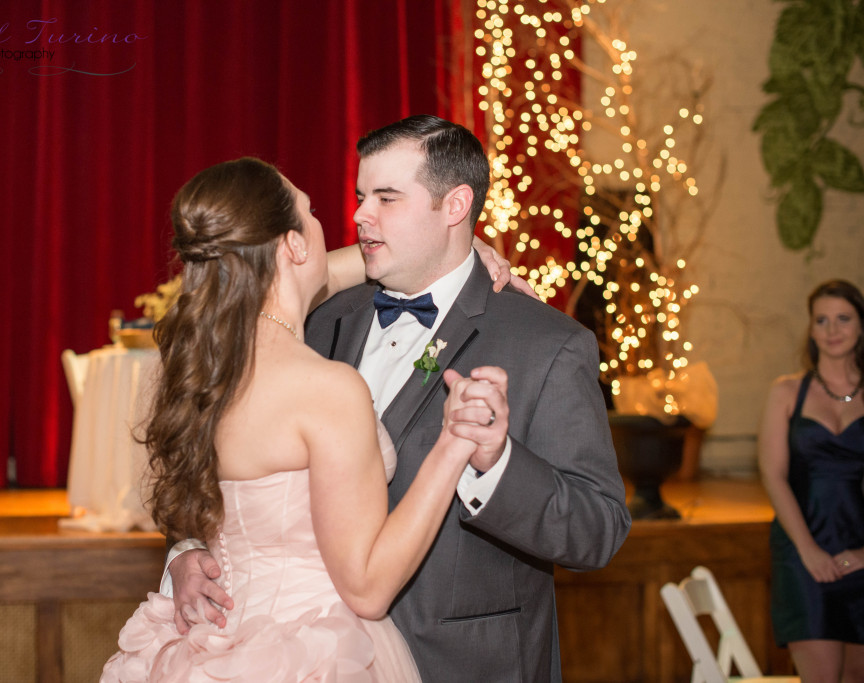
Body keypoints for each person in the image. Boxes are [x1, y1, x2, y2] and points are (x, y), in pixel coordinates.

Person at [169, 115, 631, 681]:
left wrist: (495, 465)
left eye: (387, 198)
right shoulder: (313, 318)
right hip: (308, 658)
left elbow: (598, 530)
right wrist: (189, 549)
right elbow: (218, 458)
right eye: (361, 196)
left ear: (455, 206)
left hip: (466, 666)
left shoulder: (546, 343)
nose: (361, 215)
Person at [101, 157, 512, 681]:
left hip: (212, 645)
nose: (335, 224)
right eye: (309, 211)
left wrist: (450, 249)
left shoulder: (197, 370)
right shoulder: (325, 389)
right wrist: (455, 444)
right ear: (294, 245)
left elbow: (329, 267)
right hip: (312, 653)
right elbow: (367, 588)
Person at [759, 279, 864, 682]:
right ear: (811, 328)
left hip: (859, 550)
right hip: (801, 554)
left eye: (843, 319)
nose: (832, 330)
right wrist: (808, 551)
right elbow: (773, 474)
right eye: (822, 320)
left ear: (860, 326)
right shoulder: (786, 392)